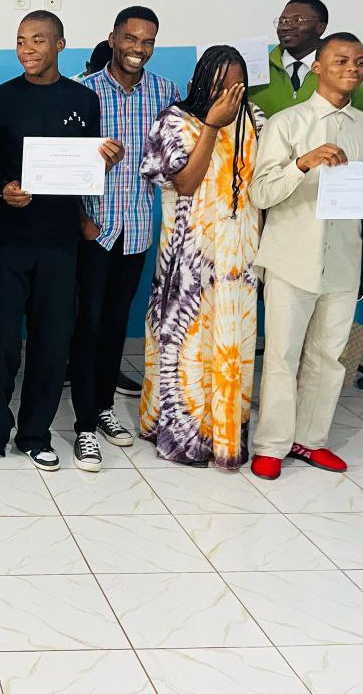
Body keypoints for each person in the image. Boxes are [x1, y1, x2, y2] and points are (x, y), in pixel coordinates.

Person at [249, 33, 363, 480]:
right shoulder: (286, 123)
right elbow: (260, 193)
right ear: (318, 67)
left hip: (343, 261)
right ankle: (271, 444)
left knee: (328, 356)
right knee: (283, 355)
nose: (352, 68)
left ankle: (310, 440)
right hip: (291, 257)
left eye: (360, 62)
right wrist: (302, 164)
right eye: (341, 60)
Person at [0, 11, 123, 472]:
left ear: (60, 44)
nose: (27, 49)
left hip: (59, 242)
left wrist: (104, 164)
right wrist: (3, 190)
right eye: (20, 41)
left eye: (38, 40)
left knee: (52, 341)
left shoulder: (83, 99)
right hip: (6, 240)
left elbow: (81, 170)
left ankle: (35, 434)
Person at [138, 46, 264, 470]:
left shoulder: (255, 121)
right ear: (201, 82)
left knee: (231, 345)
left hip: (239, 258)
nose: (229, 93)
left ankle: (225, 435)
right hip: (189, 257)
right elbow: (187, 183)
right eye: (220, 84)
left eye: (237, 85)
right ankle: (183, 437)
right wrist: (212, 125)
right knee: (187, 343)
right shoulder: (175, 121)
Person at [67, 7, 180, 468]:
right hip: (94, 229)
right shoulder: (82, 90)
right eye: (131, 39)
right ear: (112, 38)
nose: (138, 49)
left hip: (137, 229)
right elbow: (62, 163)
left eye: (147, 41)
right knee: (88, 324)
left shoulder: (166, 93)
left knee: (116, 324)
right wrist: (80, 220)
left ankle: (106, 410)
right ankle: (83, 427)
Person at [250, 0, 363, 118]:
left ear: (320, 27)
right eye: (282, 21)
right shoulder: (257, 68)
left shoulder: (344, 71)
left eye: (297, 20)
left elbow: (359, 120)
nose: (286, 27)